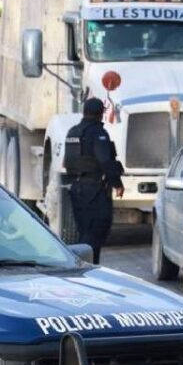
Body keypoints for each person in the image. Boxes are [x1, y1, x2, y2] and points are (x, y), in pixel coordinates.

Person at [62, 98, 123, 264]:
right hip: (94, 190)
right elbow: (105, 161)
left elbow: (66, 162)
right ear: (101, 113)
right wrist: (117, 183)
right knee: (96, 232)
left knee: (84, 231)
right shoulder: (98, 133)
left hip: (76, 188)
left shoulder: (73, 132)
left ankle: (85, 266)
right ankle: (89, 268)